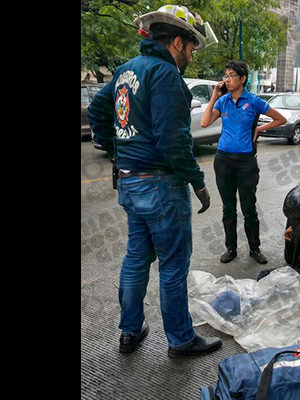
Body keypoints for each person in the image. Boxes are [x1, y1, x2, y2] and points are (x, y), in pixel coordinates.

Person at [86, 4, 221, 358]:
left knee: (135, 259)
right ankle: (180, 339)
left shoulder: (126, 70)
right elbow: (174, 140)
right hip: (162, 185)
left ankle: (130, 332)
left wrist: (117, 150)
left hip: (131, 182)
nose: (191, 55)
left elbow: (99, 110)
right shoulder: (166, 76)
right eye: (191, 48)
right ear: (177, 42)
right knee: (173, 265)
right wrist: (198, 181)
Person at [200, 60, 287, 264]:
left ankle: (255, 249)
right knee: (228, 208)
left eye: (231, 75)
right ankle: (231, 248)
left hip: (246, 163)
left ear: (243, 78)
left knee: (249, 208)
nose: (227, 79)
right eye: (225, 75)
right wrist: (214, 96)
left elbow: (280, 119)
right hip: (223, 161)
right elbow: (204, 122)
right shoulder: (223, 102)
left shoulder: (254, 101)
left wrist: (258, 130)